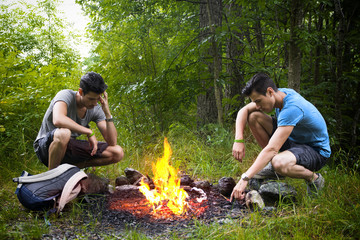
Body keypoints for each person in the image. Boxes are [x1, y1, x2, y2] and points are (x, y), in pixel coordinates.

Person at [230, 73, 331, 201]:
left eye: (258, 101)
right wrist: (238, 140)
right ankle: (272, 163)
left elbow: (272, 148)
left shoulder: (292, 107)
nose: (257, 106)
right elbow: (243, 111)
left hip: (316, 151)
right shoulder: (280, 93)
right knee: (254, 116)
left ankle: (314, 179)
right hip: (294, 141)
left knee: (279, 163)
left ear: (270, 92)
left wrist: (245, 178)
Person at [33, 72, 124, 170]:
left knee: (117, 152)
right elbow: (58, 119)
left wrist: (107, 113)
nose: (94, 103)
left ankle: (69, 172)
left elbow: (112, 141)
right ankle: (53, 178)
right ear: (80, 92)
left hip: (70, 148)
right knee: (64, 133)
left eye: (97, 99)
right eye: (91, 99)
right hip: (45, 147)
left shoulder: (96, 108)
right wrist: (88, 131)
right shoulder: (65, 95)